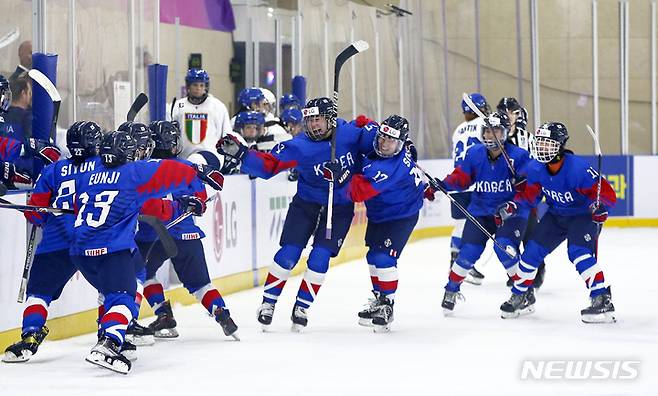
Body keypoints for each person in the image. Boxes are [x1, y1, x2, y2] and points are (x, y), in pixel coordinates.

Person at [70, 130, 225, 374]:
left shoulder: (89, 175)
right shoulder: (133, 173)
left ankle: (112, 333)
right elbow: (166, 172)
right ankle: (108, 342)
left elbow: (79, 205)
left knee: (115, 290)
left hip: (79, 252)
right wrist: (198, 173)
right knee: (125, 297)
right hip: (111, 249)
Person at [216, 97, 376, 331]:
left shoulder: (350, 133)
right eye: (309, 120)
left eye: (317, 119)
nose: (312, 125)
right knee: (288, 254)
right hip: (306, 204)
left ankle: (302, 307)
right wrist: (242, 154)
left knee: (319, 258)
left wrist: (386, 135)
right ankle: (268, 303)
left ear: (330, 119)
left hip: (339, 208)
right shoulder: (299, 146)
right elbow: (270, 164)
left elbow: (379, 145)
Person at [3, 121, 101, 363]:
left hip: (55, 241)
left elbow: (35, 213)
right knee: (113, 288)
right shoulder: (104, 167)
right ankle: (113, 334)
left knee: (38, 293)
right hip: (94, 239)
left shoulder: (53, 170)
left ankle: (30, 336)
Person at [499, 122, 617, 323]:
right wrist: (514, 205)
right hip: (555, 216)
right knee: (531, 253)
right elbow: (530, 197)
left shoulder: (578, 169)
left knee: (579, 253)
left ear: (560, 146)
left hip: (581, 216)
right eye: (540, 143)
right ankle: (522, 295)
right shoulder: (536, 168)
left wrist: (601, 208)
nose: (542, 148)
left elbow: (607, 195)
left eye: (548, 144)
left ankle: (601, 297)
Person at [136, 120, 238, 340]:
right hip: (187, 234)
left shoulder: (141, 168)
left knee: (141, 275)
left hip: (152, 235)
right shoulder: (186, 167)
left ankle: (161, 315)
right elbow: (200, 199)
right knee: (201, 283)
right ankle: (222, 314)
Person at [430, 111, 531, 314]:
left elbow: (532, 191)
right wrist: (441, 184)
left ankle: (523, 293)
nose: (490, 136)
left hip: (510, 214)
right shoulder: (475, 153)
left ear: (505, 133)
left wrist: (519, 195)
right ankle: (451, 290)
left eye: (495, 131)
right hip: (481, 211)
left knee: (505, 248)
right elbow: (461, 178)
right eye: (487, 131)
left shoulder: (519, 156)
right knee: (467, 251)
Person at [338, 115, 425, 332]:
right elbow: (369, 126)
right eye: (383, 137)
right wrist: (361, 122)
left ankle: (387, 305)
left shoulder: (389, 169)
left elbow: (357, 192)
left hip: (401, 215)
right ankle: (379, 299)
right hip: (379, 213)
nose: (385, 144)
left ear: (401, 144)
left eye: (391, 141)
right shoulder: (382, 141)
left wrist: (342, 173)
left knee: (383, 257)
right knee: (372, 256)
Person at [497, 96, 546, 289]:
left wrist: (526, 177)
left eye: (511, 112)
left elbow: (538, 163)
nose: (507, 116)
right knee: (508, 235)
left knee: (531, 233)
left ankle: (538, 267)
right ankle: (516, 271)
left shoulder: (528, 138)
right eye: (504, 112)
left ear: (518, 115)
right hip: (505, 195)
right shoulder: (495, 134)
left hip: (527, 194)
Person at [449, 92, 489, 285]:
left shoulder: (458, 130)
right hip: (475, 183)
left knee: (460, 225)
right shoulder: (485, 124)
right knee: (478, 226)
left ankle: (455, 263)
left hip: (457, 184)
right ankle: (464, 264)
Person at [171, 68, 232, 161]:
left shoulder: (218, 106)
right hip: (184, 158)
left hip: (211, 156)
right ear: (188, 86)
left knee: (196, 161)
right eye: (195, 85)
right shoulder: (178, 106)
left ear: (206, 87)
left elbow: (227, 134)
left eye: (201, 85)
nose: (198, 88)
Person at [3, 72, 32, 142]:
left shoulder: (2, 114)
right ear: (23, 93)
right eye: (29, 93)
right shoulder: (29, 118)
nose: (31, 96)